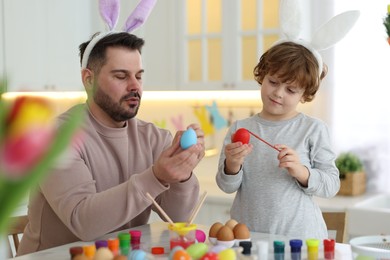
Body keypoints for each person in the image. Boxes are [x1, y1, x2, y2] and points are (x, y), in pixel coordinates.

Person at [17, 32, 205, 255]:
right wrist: (156, 177)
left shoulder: (153, 137)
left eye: (139, 76)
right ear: (89, 79)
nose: (135, 86)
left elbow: (178, 219)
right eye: (121, 76)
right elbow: (83, 222)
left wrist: (181, 175)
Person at [216, 41, 340, 240]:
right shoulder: (240, 128)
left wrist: (302, 172)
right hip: (250, 238)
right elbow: (226, 186)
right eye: (273, 82)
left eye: (291, 90)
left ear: (304, 95)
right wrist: (232, 165)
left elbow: (332, 184)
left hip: (299, 239)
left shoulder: (313, 129)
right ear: (262, 76)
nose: (278, 93)